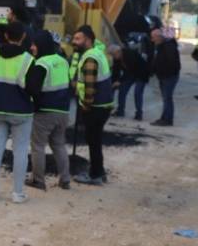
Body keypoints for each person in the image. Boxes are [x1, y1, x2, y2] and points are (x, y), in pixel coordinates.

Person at [0, 21, 40, 203]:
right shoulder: (28, 60)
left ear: (6, 35)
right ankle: (17, 193)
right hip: (21, 112)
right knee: (20, 151)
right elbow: (33, 90)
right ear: (22, 37)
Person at [26, 32, 72, 191]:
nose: (31, 47)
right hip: (63, 111)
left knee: (37, 146)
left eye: (34, 44)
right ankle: (65, 180)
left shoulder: (41, 64)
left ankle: (38, 180)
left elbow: (33, 89)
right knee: (59, 144)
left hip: (45, 112)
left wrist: (34, 106)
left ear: (42, 44)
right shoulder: (63, 61)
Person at [71, 25, 115, 185]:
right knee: (95, 140)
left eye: (78, 39)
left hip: (95, 107)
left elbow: (90, 86)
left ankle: (95, 175)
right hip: (103, 105)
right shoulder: (96, 53)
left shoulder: (90, 58)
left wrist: (86, 105)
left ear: (88, 40)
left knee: (93, 141)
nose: (74, 42)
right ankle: (99, 171)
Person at [150, 27, 182, 126]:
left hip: (169, 77)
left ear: (159, 37)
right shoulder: (161, 46)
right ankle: (164, 118)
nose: (152, 40)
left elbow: (173, 63)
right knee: (166, 98)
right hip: (164, 76)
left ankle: (167, 120)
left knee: (167, 98)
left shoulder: (168, 46)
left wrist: (165, 73)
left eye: (153, 37)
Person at [114, 38, 151, 120]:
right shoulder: (117, 58)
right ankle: (120, 111)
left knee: (137, 93)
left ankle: (139, 114)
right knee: (122, 90)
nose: (114, 57)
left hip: (141, 73)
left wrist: (120, 81)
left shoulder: (129, 54)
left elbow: (129, 70)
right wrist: (116, 80)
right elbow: (116, 70)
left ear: (118, 52)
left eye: (114, 55)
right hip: (132, 73)